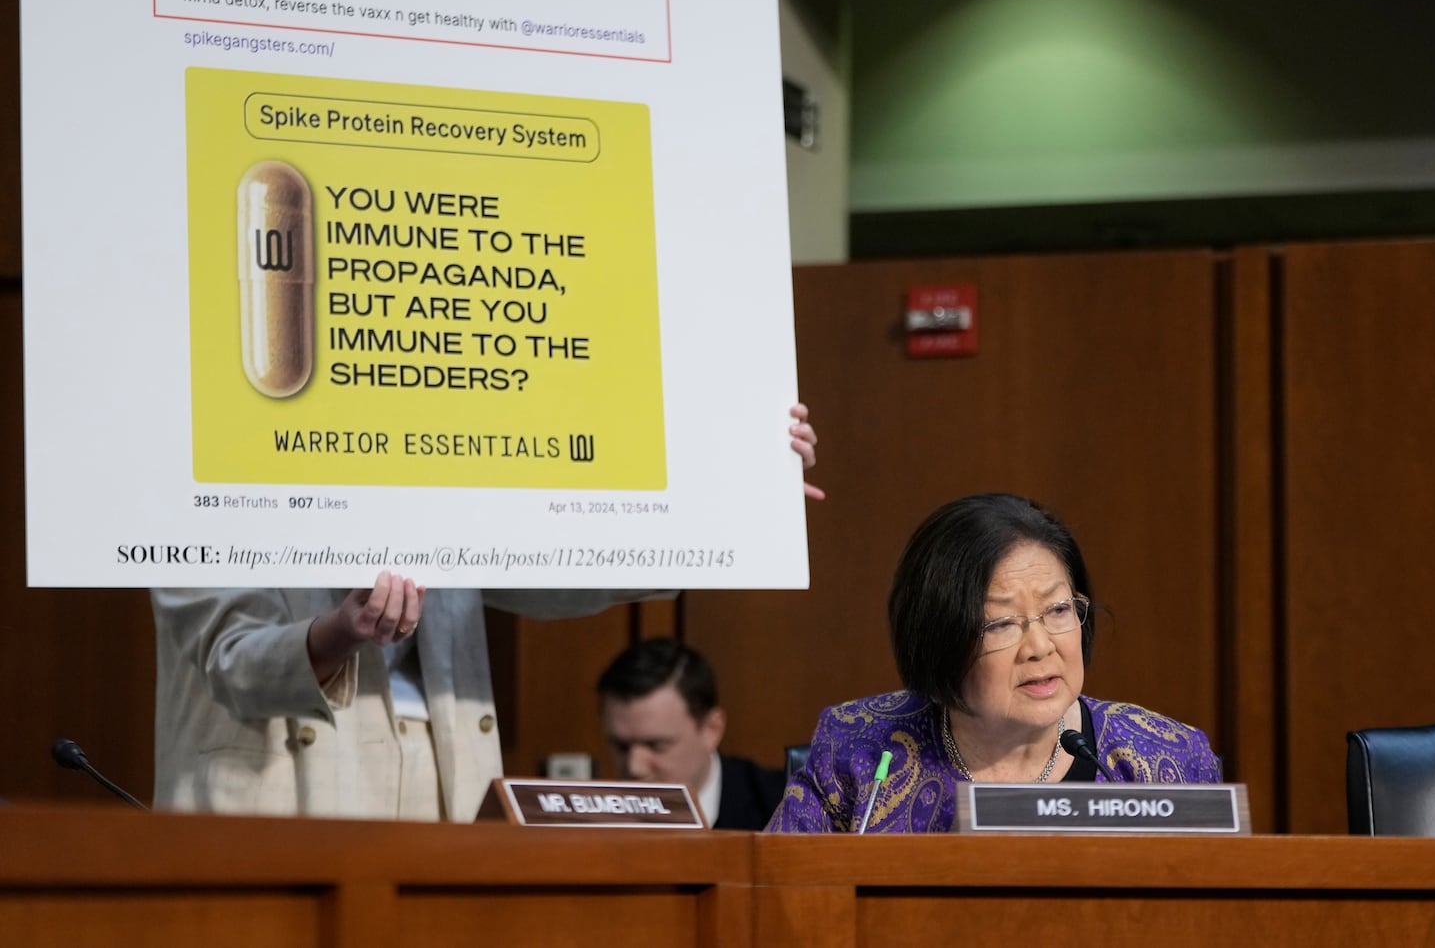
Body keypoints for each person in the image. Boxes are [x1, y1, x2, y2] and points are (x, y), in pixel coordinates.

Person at [152, 405, 820, 823]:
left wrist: (736, 504)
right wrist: (340, 630)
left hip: (447, 773)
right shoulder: (209, 432)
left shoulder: (447, 446)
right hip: (280, 791)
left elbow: (570, 571)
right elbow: (230, 660)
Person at [768, 492, 1220, 833]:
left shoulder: (1167, 760)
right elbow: (778, 908)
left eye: (1059, 610)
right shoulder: (859, 751)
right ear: (938, 638)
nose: (1040, 646)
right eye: (1001, 623)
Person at [597, 637, 785, 830]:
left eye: (656, 745)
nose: (635, 767)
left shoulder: (785, 809)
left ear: (711, 729)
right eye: (621, 747)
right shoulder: (590, 824)